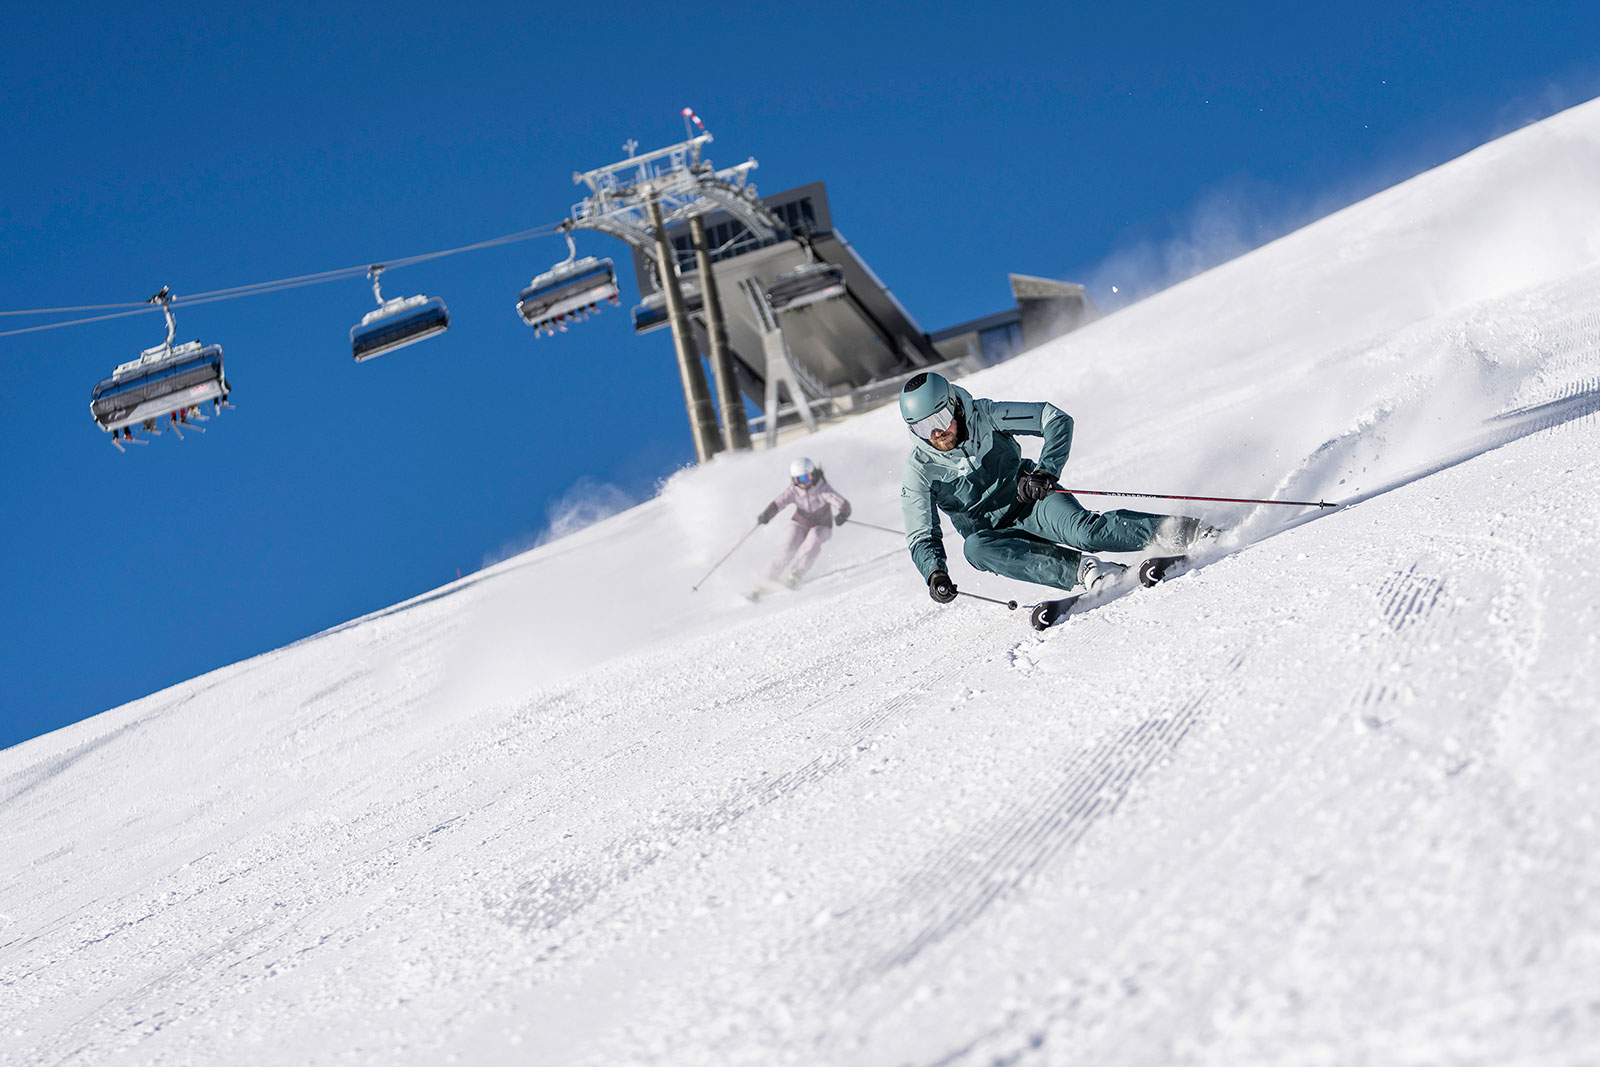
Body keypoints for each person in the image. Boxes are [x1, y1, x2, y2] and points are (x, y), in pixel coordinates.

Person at [897, 371, 1216, 604]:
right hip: (995, 535)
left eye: (939, 418)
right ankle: (1089, 572)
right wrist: (934, 572)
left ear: (954, 405)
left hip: (1032, 499)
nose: (936, 433)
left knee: (1086, 533)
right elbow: (921, 534)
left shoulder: (986, 415)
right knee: (975, 549)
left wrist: (1046, 471)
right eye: (924, 427)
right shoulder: (919, 471)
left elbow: (1053, 418)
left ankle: (1189, 531)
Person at [757, 457, 852, 587]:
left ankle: (796, 574)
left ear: (812, 475)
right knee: (788, 548)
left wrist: (843, 514)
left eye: (805, 478)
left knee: (813, 541)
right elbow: (780, 502)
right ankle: (767, 578)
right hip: (800, 522)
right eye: (798, 480)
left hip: (822, 524)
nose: (803, 483)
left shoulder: (822, 489)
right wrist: (767, 514)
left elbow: (843, 504)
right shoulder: (793, 490)